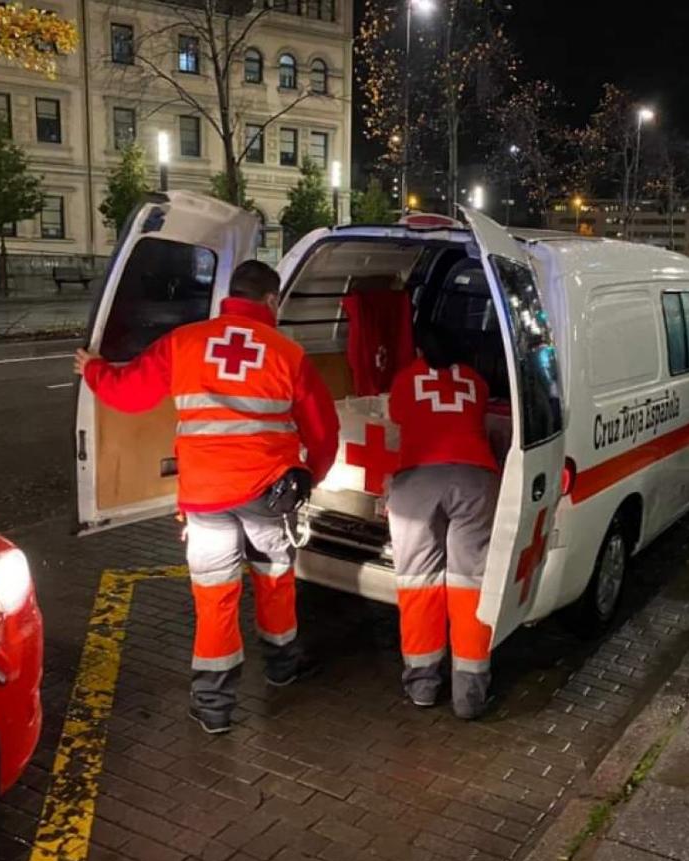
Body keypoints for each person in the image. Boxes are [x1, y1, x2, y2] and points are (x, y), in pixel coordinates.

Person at [74, 260, 339, 734]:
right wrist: (309, 477)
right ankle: (282, 668)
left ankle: (214, 705)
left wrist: (94, 370)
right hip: (267, 492)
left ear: (229, 296)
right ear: (272, 301)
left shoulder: (185, 342)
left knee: (215, 597)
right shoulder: (287, 353)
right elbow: (324, 430)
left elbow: (129, 393)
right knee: (275, 579)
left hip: (204, 497)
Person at [386, 324, 500, 720]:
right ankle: (469, 696)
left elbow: (398, 416)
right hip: (476, 479)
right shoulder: (476, 382)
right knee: (469, 584)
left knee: (418, 582)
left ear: (419, 348)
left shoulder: (405, 380)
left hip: (417, 481)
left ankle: (422, 686)